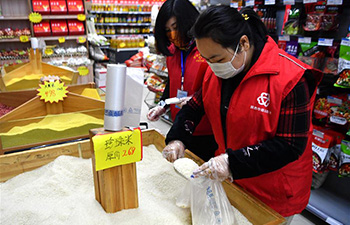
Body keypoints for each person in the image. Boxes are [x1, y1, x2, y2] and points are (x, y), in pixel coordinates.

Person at [162, 5, 323, 221]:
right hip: (231, 184)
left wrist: (231, 162)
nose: (212, 66)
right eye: (206, 59)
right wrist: (177, 139)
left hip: (273, 194)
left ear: (244, 43)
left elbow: (290, 145)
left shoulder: (291, 79)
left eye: (217, 59)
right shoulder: (217, 71)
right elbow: (195, 106)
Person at [147, 0, 217, 161]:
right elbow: (173, 80)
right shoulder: (173, 52)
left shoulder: (207, 50)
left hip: (206, 129)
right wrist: (163, 105)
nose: (172, 35)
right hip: (180, 124)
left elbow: (216, 87)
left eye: (176, 27)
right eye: (167, 30)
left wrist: (196, 100)